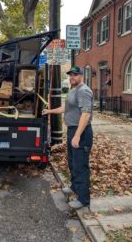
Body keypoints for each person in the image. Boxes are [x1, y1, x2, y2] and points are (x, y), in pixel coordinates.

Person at [42, 66, 93, 209]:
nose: (72, 77)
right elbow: (66, 108)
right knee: (72, 162)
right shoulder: (73, 90)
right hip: (72, 130)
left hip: (81, 132)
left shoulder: (84, 91)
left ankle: (83, 200)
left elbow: (86, 114)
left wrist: (77, 135)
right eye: (71, 75)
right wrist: (50, 111)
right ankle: (74, 187)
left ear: (81, 75)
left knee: (80, 166)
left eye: (75, 74)